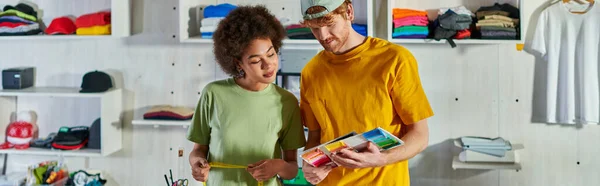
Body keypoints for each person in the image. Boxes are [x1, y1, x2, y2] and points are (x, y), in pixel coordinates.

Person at [299, 0, 434, 185]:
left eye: (329, 24)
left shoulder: (395, 60)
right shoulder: (311, 72)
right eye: (314, 28)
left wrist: (383, 159)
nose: (323, 36)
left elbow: (420, 136)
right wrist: (310, 164)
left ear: (349, 12)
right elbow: (315, 137)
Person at [186, 5, 306, 186]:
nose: (268, 65)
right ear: (238, 63)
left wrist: (278, 166)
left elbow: (291, 169)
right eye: (256, 60)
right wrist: (197, 164)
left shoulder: (287, 102)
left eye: (271, 54)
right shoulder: (213, 94)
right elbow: (198, 150)